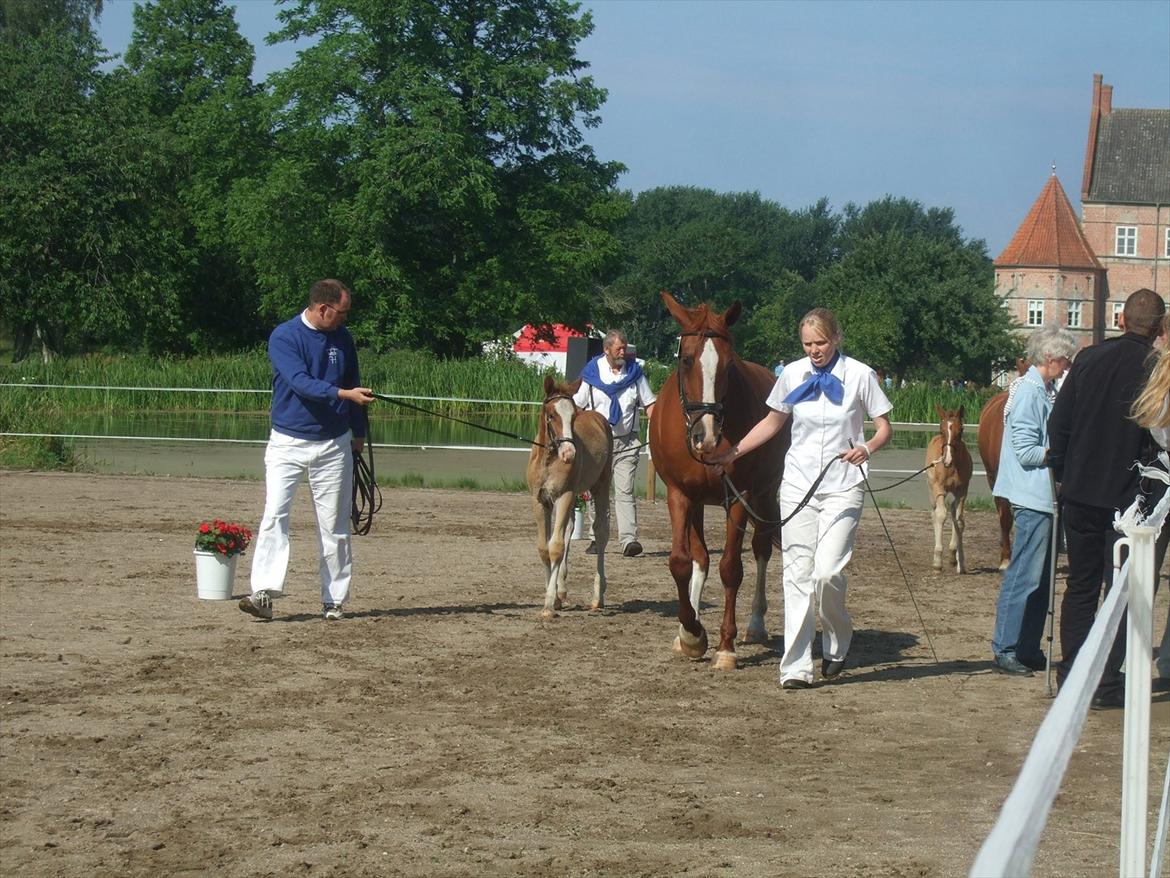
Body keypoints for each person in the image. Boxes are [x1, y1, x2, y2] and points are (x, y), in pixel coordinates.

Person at [708, 308, 893, 689]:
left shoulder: (859, 375)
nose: (814, 350)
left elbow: (884, 427)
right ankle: (795, 667)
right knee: (796, 574)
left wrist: (868, 447)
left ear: (836, 338)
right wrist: (733, 453)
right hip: (797, 484)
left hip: (844, 484)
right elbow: (772, 422)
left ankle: (838, 640)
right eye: (808, 344)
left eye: (821, 343)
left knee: (828, 573)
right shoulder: (792, 374)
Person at [1048, 288, 1167, 708]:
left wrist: (1062, 474)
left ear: (1120, 320)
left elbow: (1058, 424)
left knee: (1079, 586)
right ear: (1158, 328)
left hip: (1080, 491)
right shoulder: (1157, 369)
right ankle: (1105, 684)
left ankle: (1071, 677)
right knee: (1119, 592)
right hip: (1128, 500)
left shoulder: (1088, 359)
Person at [239, 279, 375, 622]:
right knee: (275, 515)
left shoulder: (343, 338)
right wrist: (345, 396)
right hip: (287, 441)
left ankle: (334, 600)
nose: (344, 319)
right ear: (322, 309)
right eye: (341, 313)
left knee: (334, 525)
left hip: (333, 444)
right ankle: (264, 594)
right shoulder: (285, 337)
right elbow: (300, 382)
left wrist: (358, 431)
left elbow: (353, 378)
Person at [989, 325, 1077, 676]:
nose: (1068, 365)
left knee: (1039, 578)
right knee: (1024, 575)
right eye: (1066, 359)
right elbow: (1025, 451)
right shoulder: (1028, 392)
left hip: (1043, 496)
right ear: (1052, 359)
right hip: (1031, 495)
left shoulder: (1041, 390)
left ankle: (1027, 646)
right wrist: (1060, 454)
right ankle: (1005, 647)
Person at [574, 330, 656, 557]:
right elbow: (577, 407)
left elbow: (650, 405)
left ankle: (629, 541)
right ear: (607, 350)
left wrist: (658, 430)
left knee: (625, 490)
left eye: (625, 347)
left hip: (626, 441)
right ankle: (596, 538)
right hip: (597, 444)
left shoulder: (635, 373)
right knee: (596, 491)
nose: (623, 352)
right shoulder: (591, 375)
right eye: (619, 348)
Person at [1129, 312, 1170, 690]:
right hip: (1161, 486)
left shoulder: (1157, 377)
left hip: (1158, 484)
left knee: (1146, 574)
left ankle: (1135, 658)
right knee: (1145, 573)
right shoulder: (1158, 377)